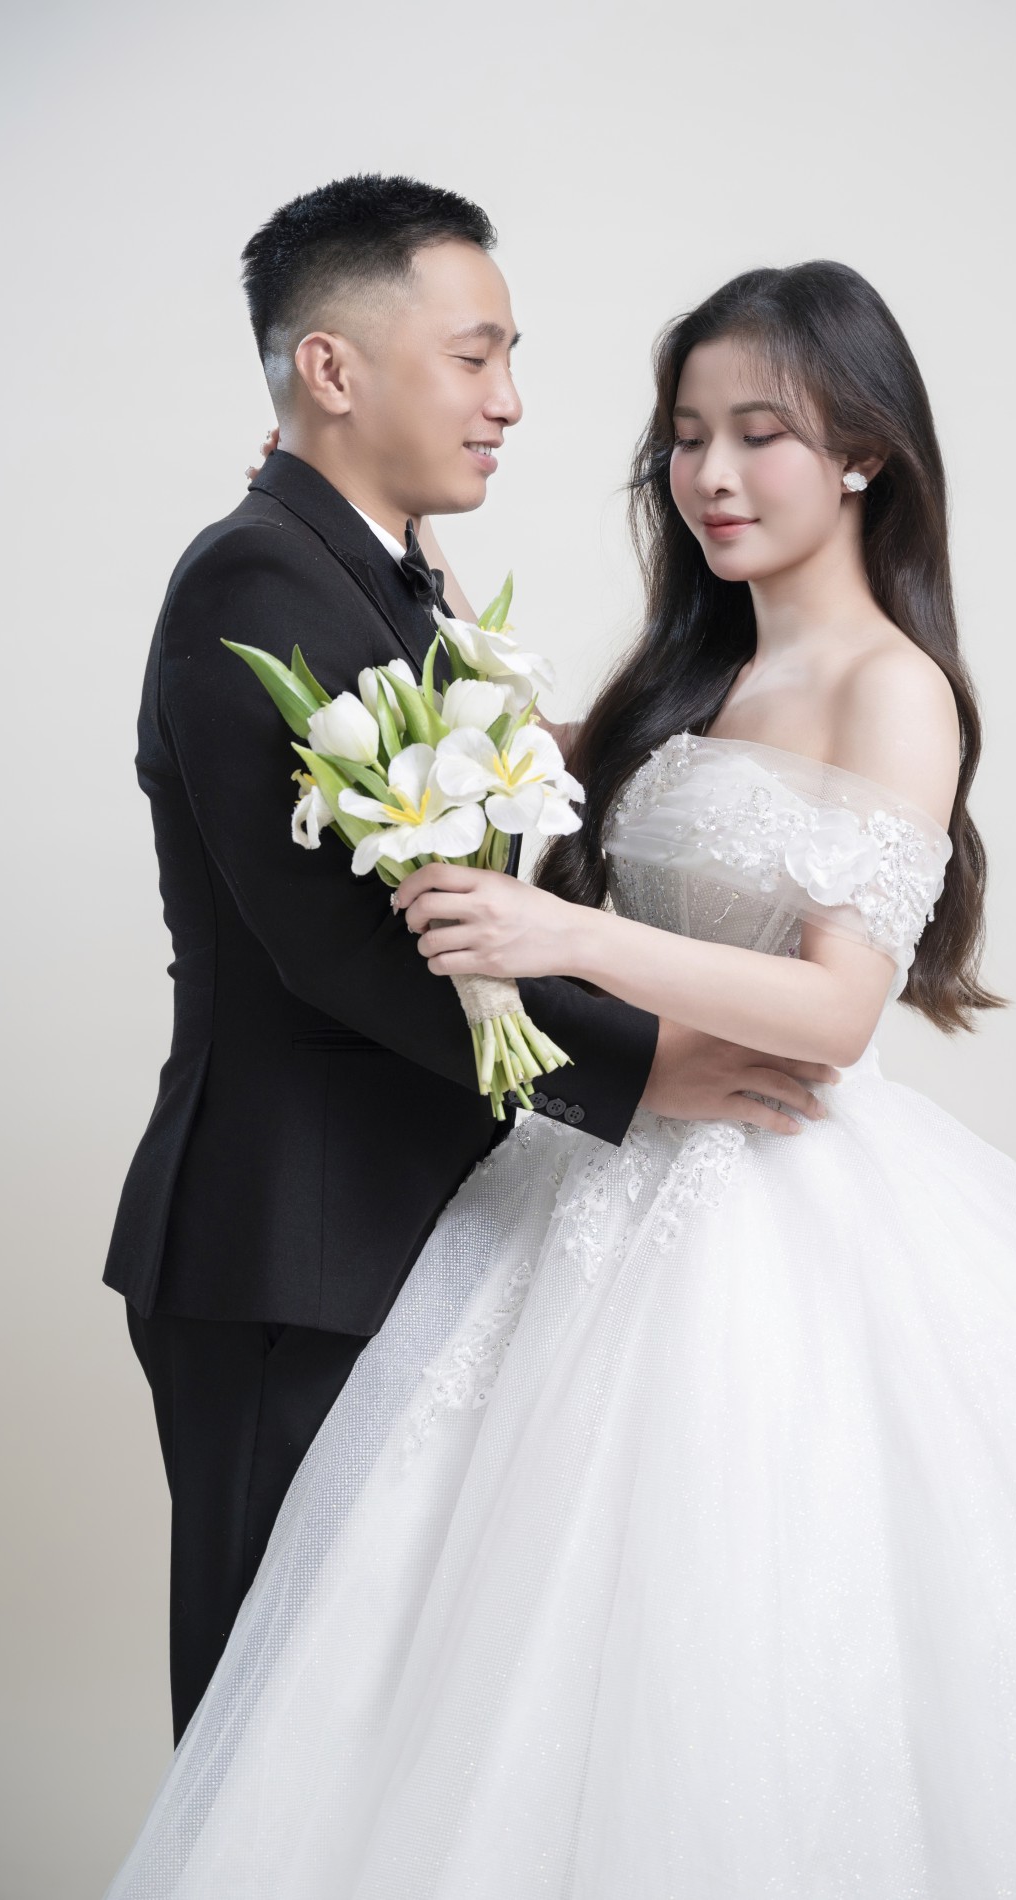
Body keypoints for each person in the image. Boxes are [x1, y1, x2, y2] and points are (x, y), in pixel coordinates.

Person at [107, 261, 1016, 1898]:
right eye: (686, 438)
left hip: (768, 1197)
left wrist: (569, 941)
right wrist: (378, 573)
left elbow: (838, 1011)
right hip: (572, 1190)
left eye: (760, 434)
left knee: (737, 1634)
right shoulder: (685, 677)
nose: (711, 475)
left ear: (863, 452)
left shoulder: (893, 688)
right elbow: (495, 775)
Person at [104, 175, 830, 1746]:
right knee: (269, 1730)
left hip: (401, 1222)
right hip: (289, 1238)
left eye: (512, 358)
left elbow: (482, 823)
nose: (510, 401)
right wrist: (647, 1068)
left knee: (380, 1733)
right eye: (476, 355)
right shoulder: (257, 581)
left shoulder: (373, 571)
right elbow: (345, 947)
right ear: (333, 368)